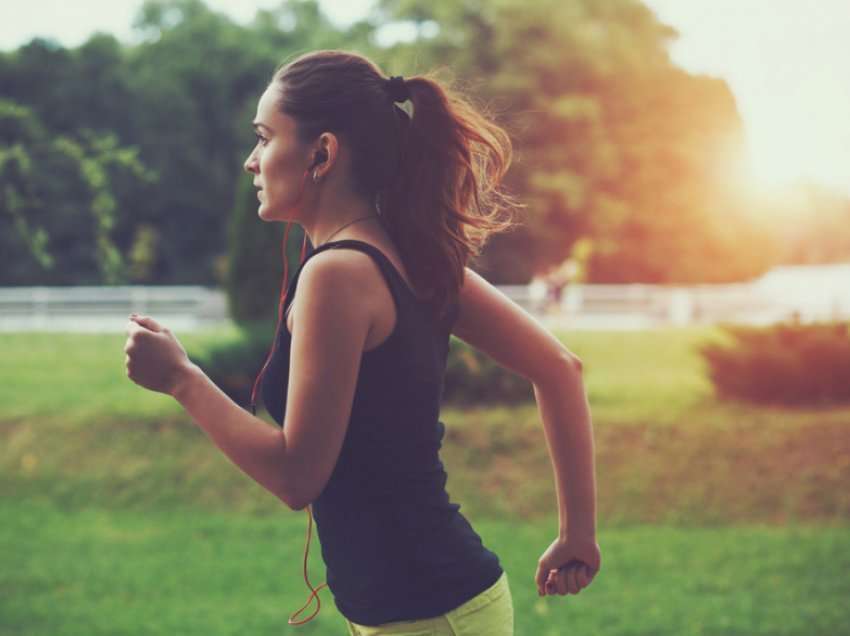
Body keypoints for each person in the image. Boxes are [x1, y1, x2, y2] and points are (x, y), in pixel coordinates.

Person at [123, 49, 600, 635]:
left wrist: (181, 379)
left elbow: (297, 476)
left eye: (265, 138)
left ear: (322, 153)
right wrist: (576, 535)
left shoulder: (338, 275)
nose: (251, 161)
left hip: (426, 617)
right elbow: (559, 368)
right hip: (430, 608)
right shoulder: (413, 252)